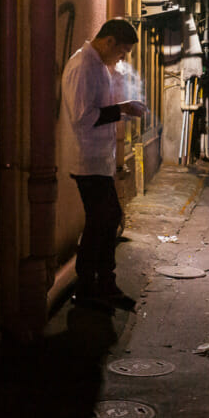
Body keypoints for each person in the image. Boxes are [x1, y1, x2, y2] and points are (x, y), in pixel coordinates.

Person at [61, 18, 145, 310]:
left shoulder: (98, 65)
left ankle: (95, 285)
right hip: (87, 160)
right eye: (121, 51)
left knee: (104, 221)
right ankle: (94, 286)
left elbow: (99, 108)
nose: (121, 58)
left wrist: (124, 107)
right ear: (109, 42)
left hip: (98, 159)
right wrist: (122, 109)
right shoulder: (83, 66)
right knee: (105, 220)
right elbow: (83, 117)